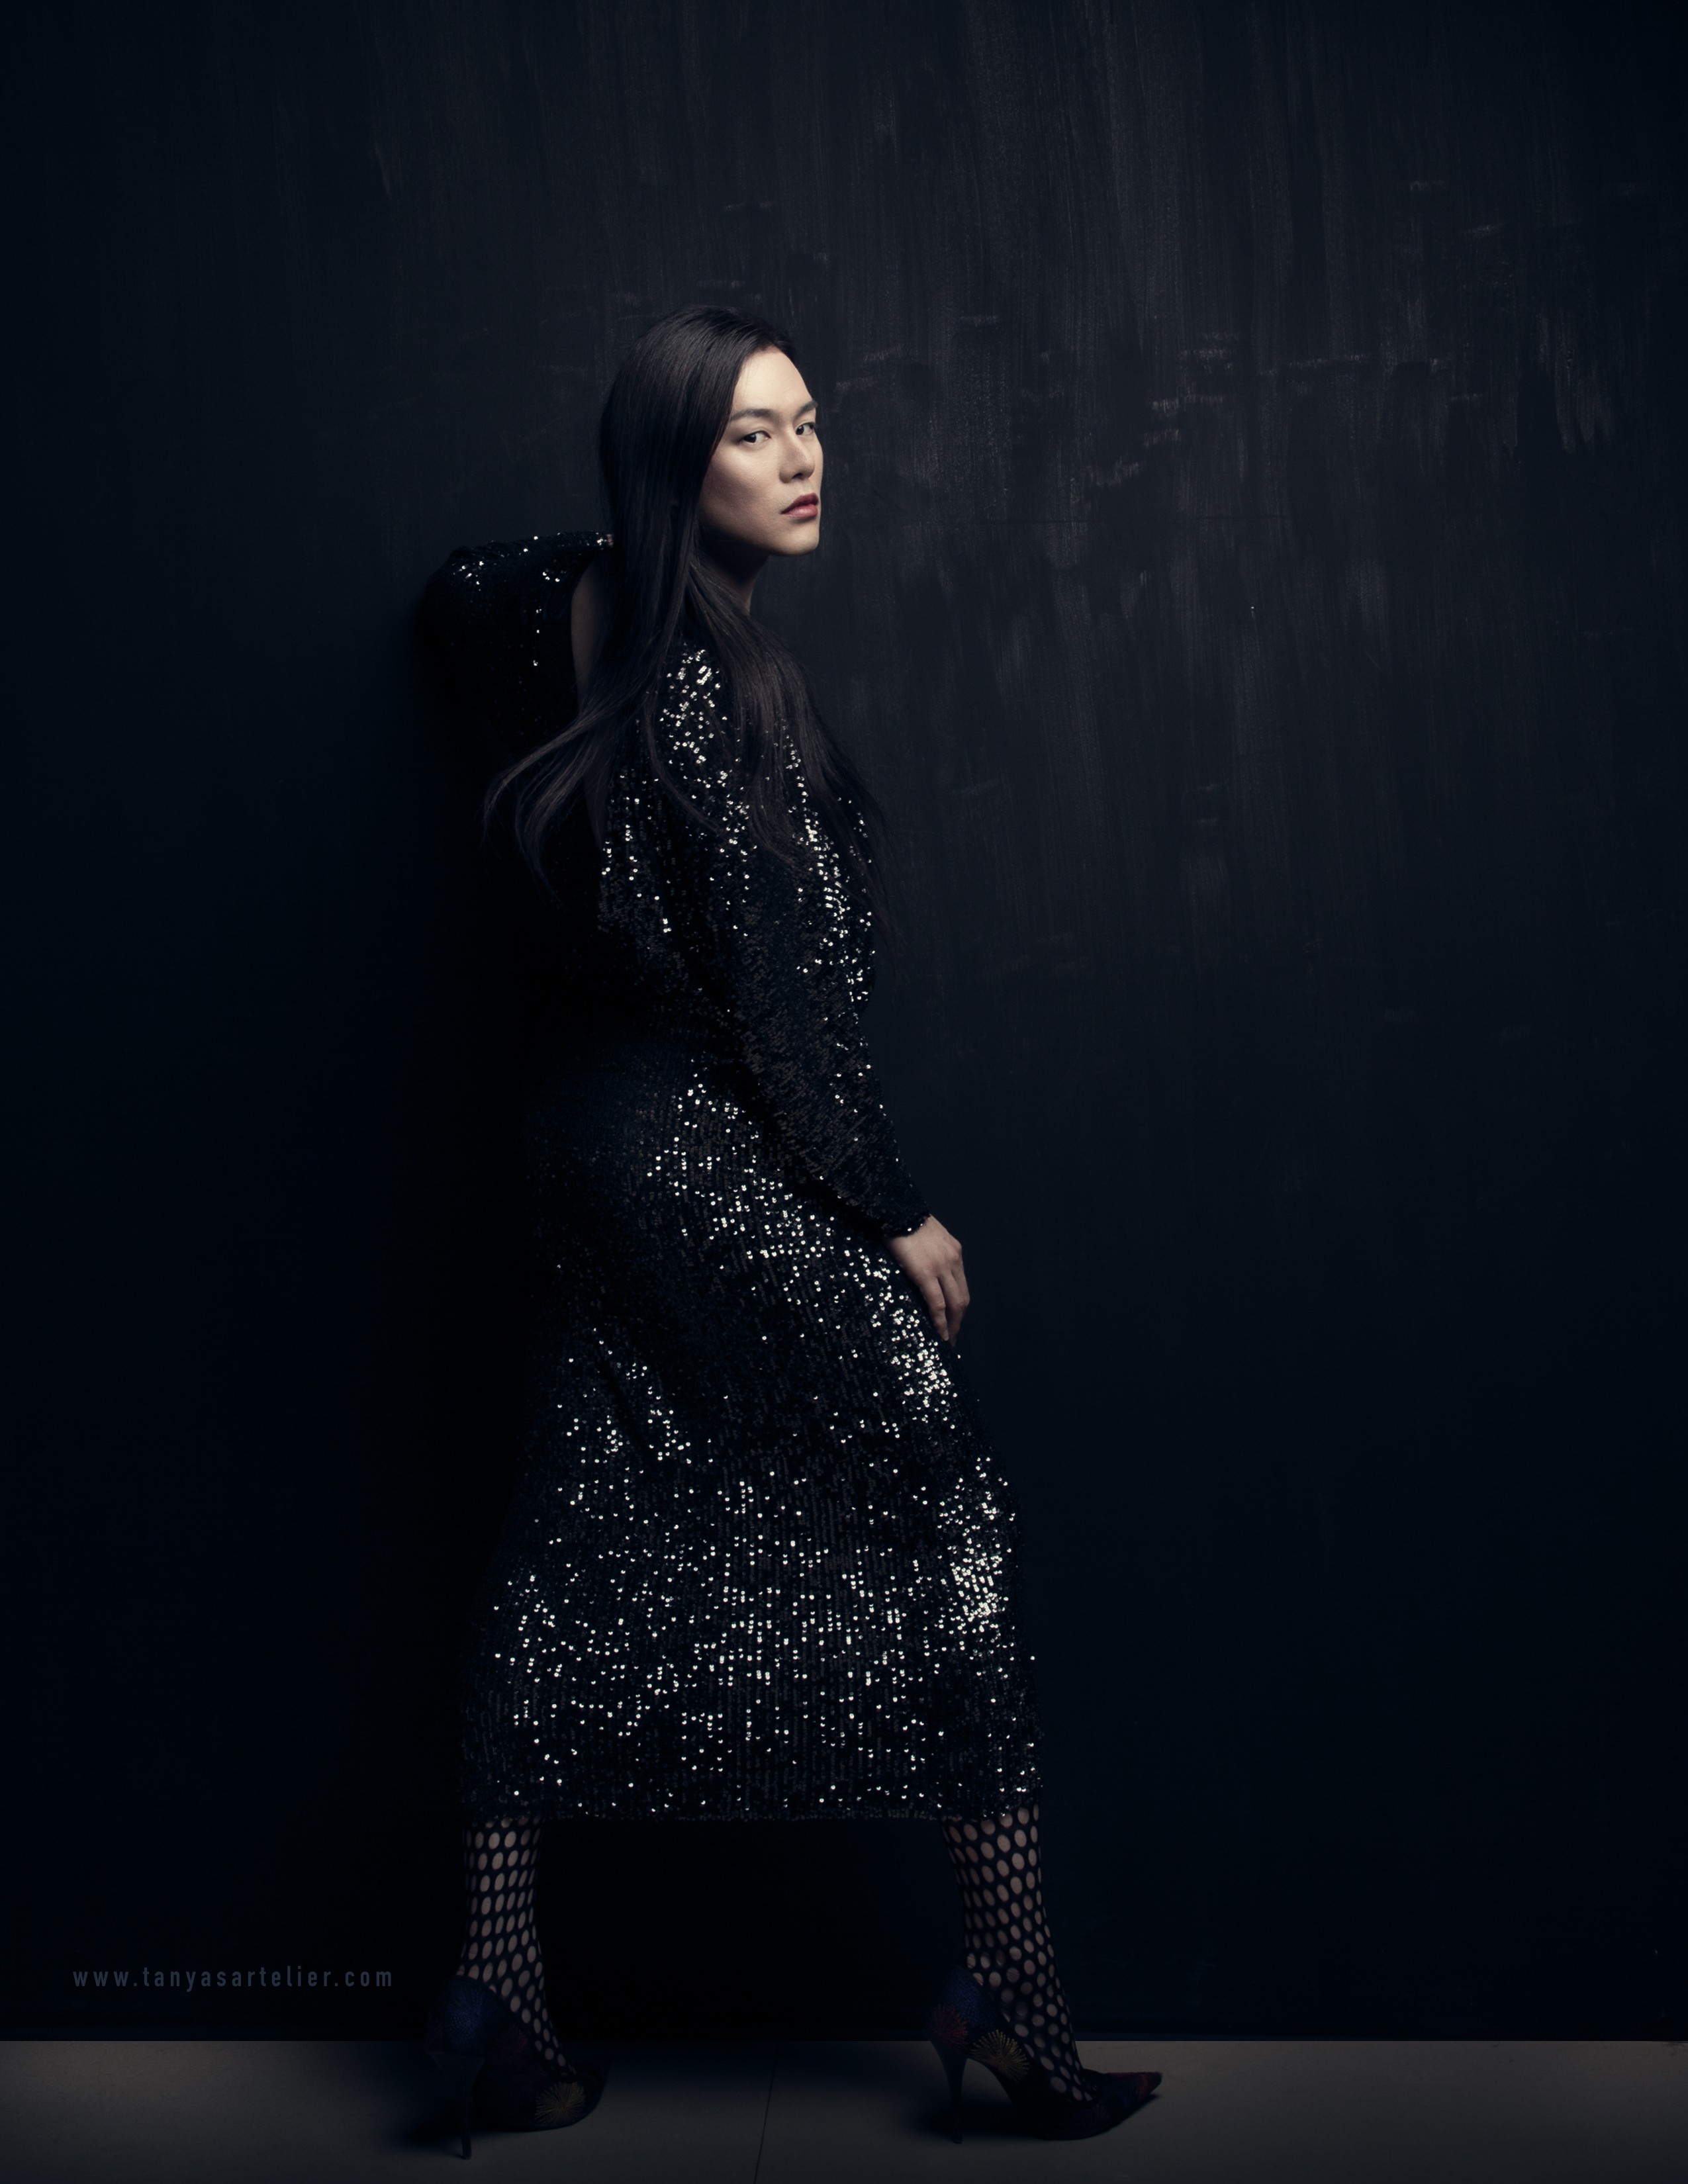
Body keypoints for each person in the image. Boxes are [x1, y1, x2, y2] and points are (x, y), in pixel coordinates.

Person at [418, 304, 1159, 2152]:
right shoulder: (719, 682)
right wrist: (894, 1208)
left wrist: (612, 561)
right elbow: (797, 998)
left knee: (574, 1503)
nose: (807, 457)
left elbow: (455, 591)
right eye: (754, 434)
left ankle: (498, 1991)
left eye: (812, 421)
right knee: (942, 1483)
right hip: (700, 1146)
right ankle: (1009, 1988)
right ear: (679, 468)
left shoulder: (580, 642)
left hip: (571, 1143)